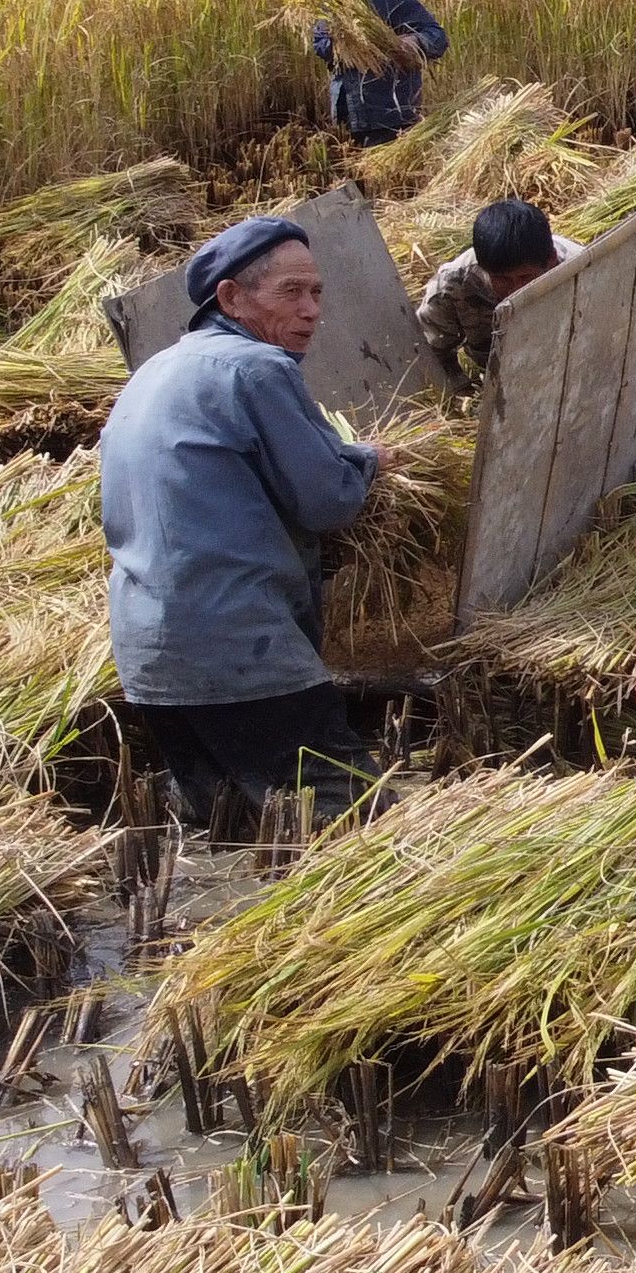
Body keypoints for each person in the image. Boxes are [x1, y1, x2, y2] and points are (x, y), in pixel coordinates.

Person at [100, 216, 389, 829]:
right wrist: (367, 459)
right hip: (239, 649)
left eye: (316, 293)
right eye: (290, 292)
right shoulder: (257, 368)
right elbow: (328, 500)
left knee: (235, 834)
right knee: (358, 824)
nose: (311, 310)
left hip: (151, 659)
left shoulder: (151, 373)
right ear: (230, 297)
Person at [295, 0, 448, 147]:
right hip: (348, 113)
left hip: (391, 116)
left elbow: (437, 37)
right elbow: (320, 44)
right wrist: (342, 45)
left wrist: (411, 43)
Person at [415, 198, 579, 397]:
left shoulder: (583, 274)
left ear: (551, 260)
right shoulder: (453, 286)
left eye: (525, 277)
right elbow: (430, 355)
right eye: (502, 279)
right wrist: (464, 399)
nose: (516, 289)